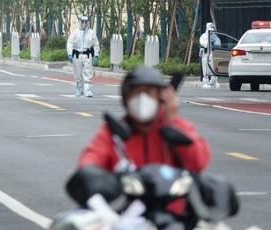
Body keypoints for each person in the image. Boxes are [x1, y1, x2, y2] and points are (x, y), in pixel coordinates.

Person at [78, 65, 210, 173]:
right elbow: (91, 158)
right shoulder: (114, 132)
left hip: (169, 203)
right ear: (126, 97)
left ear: (161, 97)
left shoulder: (174, 128)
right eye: (136, 92)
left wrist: (172, 119)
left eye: (148, 92)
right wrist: (89, 173)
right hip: (125, 202)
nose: (142, 99)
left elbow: (198, 162)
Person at [66, 16, 100, 98]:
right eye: (82, 22)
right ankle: (79, 89)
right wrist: (70, 54)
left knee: (87, 72)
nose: (84, 24)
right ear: (80, 22)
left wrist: (96, 55)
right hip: (77, 55)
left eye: (86, 22)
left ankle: (87, 90)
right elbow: (70, 43)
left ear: (88, 22)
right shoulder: (75, 32)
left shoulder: (91, 33)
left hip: (87, 55)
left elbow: (96, 45)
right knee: (78, 73)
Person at [199, 22, 221, 89]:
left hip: (213, 54)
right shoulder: (203, 36)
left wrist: (214, 43)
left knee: (213, 67)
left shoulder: (214, 36)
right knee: (205, 68)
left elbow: (218, 44)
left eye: (212, 27)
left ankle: (213, 81)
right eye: (210, 27)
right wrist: (209, 42)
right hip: (205, 54)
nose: (212, 29)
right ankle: (205, 81)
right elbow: (204, 44)